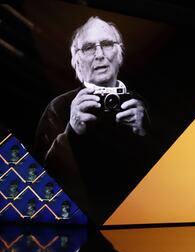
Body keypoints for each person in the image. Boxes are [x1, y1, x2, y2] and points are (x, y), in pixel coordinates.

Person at [34, 16, 150, 225]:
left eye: (106, 44)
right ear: (75, 60)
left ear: (120, 53)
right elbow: (40, 183)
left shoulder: (140, 104)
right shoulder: (59, 107)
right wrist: (71, 132)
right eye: (88, 48)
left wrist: (144, 133)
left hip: (139, 218)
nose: (99, 55)